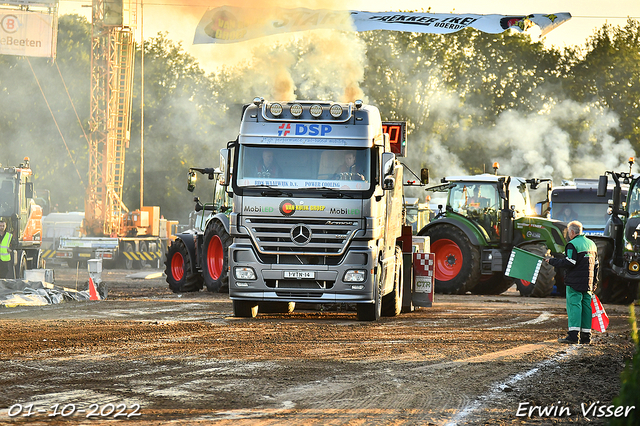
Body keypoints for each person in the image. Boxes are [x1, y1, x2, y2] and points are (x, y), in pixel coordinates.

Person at [546, 220, 598, 344]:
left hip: (574, 282)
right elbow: (596, 265)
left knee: (574, 306)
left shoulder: (572, 244)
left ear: (572, 232)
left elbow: (570, 262)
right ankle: (586, 336)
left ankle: (573, 335)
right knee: (586, 307)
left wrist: (552, 261)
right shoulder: (592, 244)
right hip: (588, 282)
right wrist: (594, 282)